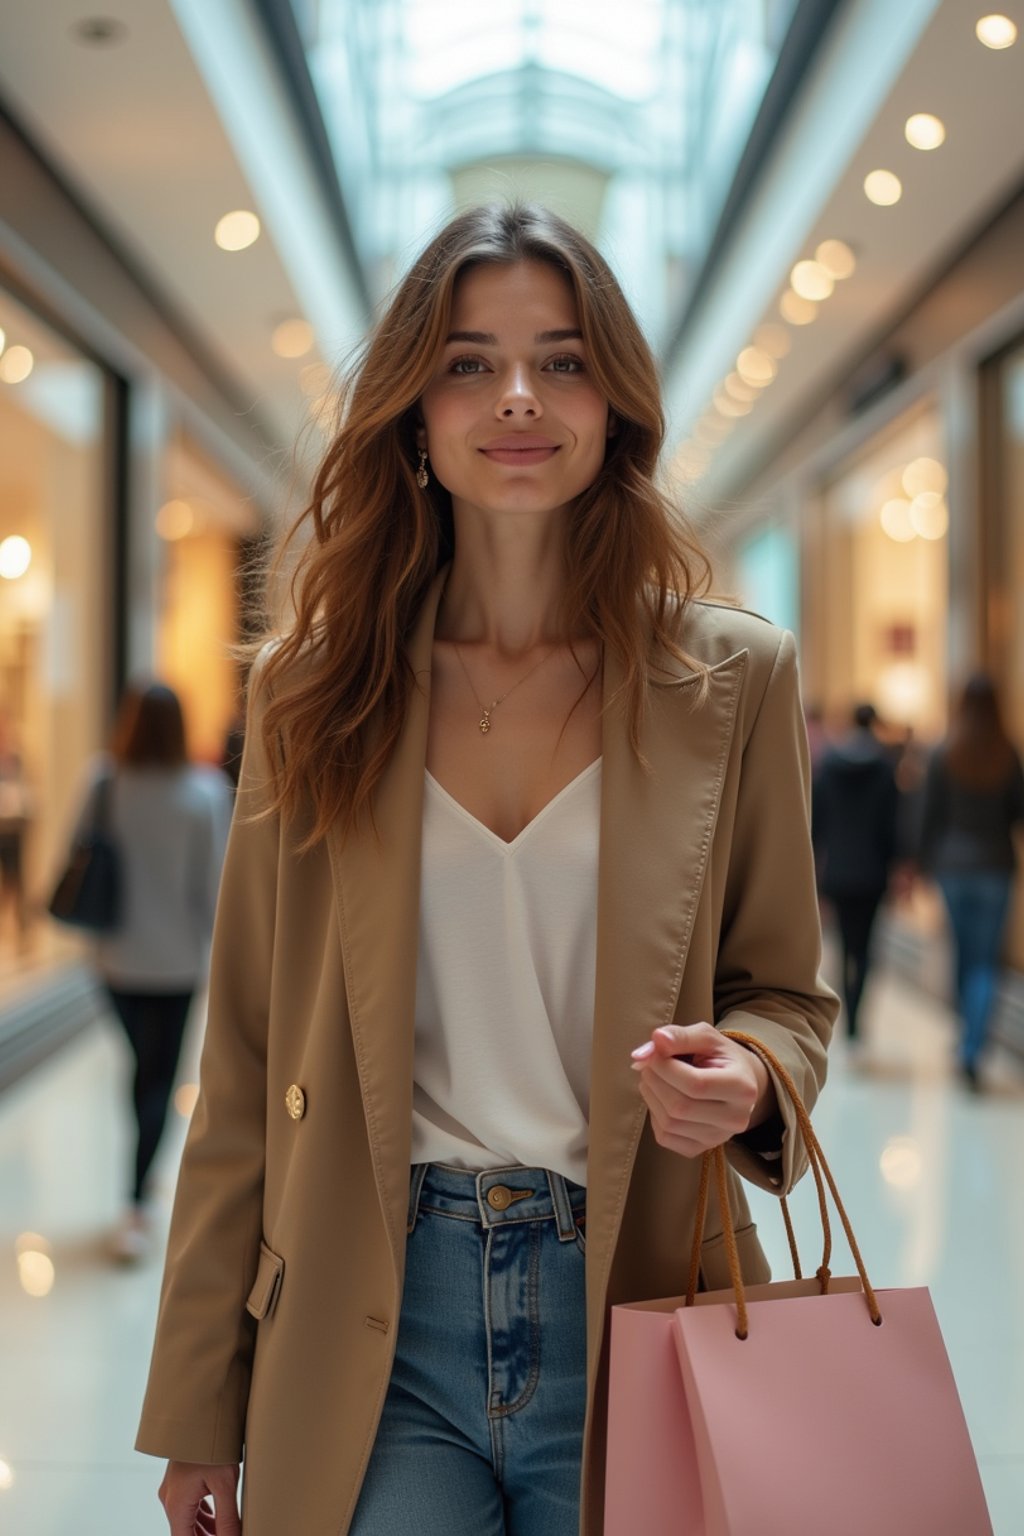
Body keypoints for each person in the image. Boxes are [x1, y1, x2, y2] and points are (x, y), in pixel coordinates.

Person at [136, 204, 836, 1536]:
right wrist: (196, 1409)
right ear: (413, 405)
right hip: (373, 1310)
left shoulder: (732, 679)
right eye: (467, 361)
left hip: (640, 1291)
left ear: (616, 402)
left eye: (563, 360)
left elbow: (787, 995)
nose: (517, 397)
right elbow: (239, 1063)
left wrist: (753, 1081)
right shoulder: (316, 687)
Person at [68, 682, 230, 1260]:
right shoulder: (205, 792)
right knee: (156, 1079)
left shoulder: (105, 781)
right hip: (178, 963)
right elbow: (216, 887)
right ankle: (138, 1202)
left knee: (143, 1073)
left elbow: (75, 852)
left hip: (114, 961)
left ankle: (136, 1194)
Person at [917, 673, 1024, 1090]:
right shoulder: (1007, 754)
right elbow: (1018, 810)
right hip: (996, 866)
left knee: (963, 955)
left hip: (953, 868)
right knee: (986, 961)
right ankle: (973, 1046)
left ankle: (967, 1038)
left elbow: (929, 814)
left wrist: (921, 862)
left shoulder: (946, 751)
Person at [812, 702, 900, 1048]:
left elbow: (818, 822)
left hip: (839, 870)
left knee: (845, 944)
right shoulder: (884, 769)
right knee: (865, 948)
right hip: (873, 873)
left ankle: (846, 1013)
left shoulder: (830, 767)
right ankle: (856, 1016)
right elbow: (892, 826)